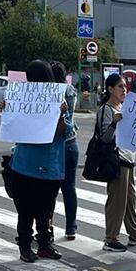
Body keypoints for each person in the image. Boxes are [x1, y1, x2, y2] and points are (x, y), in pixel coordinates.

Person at [5, 60, 68, 262]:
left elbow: (63, 132)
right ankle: (33, 245)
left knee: (36, 210)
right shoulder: (22, 97)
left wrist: (60, 114)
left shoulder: (57, 100)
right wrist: (7, 109)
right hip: (35, 165)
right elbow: (11, 126)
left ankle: (38, 245)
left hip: (37, 165)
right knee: (38, 210)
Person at [96, 73, 136, 252]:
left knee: (129, 199)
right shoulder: (107, 109)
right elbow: (104, 138)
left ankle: (134, 233)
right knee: (117, 200)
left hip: (128, 157)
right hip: (116, 159)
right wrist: (113, 123)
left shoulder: (124, 107)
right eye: (120, 86)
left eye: (125, 86)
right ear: (110, 89)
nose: (124, 89)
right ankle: (111, 238)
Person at [52, 62, 79, 241]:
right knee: (69, 188)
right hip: (71, 143)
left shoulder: (51, 92)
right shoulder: (70, 90)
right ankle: (71, 227)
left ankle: (47, 225)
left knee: (51, 189)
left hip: (56, 144)